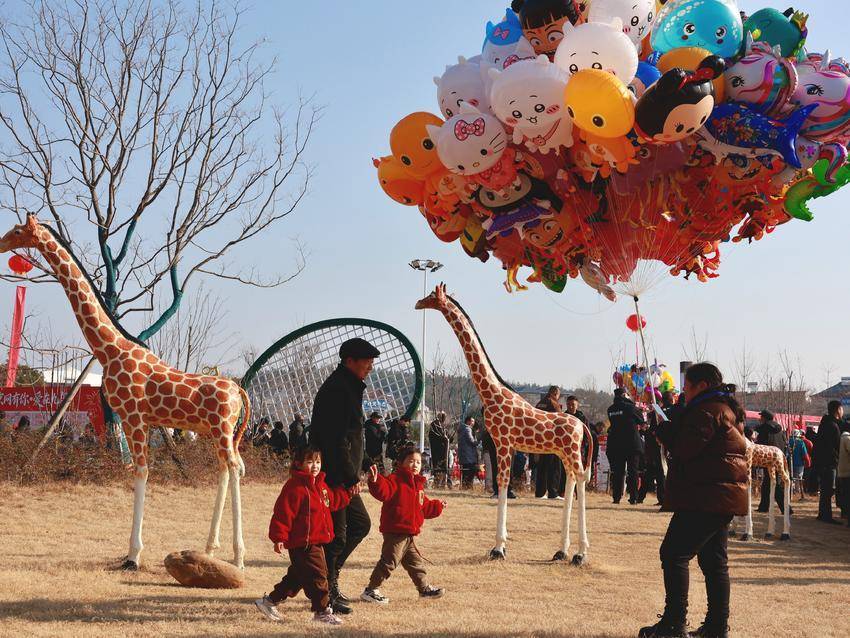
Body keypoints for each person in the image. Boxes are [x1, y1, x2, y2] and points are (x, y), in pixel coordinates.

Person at [639, 363, 748, 638]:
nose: (684, 392)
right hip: (718, 495)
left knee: (674, 553)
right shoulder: (722, 408)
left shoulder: (707, 411)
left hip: (707, 496)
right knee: (714, 562)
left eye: (687, 387)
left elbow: (686, 449)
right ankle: (716, 627)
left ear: (702, 386)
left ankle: (674, 624)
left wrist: (666, 433)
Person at [309, 337, 380, 615]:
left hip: (344, 472)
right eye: (367, 361)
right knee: (335, 536)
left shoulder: (349, 386)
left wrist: (367, 461)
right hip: (334, 476)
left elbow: (352, 435)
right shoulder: (338, 389)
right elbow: (335, 440)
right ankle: (325, 590)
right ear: (350, 361)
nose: (370, 366)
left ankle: (329, 578)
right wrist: (351, 478)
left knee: (360, 525)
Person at [254, 445, 350, 626]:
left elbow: (332, 502)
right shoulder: (294, 487)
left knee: (297, 576)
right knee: (319, 576)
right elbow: (283, 514)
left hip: (317, 540)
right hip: (303, 543)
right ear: (299, 464)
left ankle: (269, 602)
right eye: (310, 462)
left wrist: (348, 492)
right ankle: (321, 612)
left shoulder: (320, 485)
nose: (315, 466)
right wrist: (279, 538)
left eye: (318, 462)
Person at [360, 445, 445, 604]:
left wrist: (438, 506)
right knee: (389, 562)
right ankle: (371, 590)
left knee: (415, 563)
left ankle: (424, 589)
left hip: (409, 533)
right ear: (401, 463)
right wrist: (376, 480)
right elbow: (383, 490)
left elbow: (424, 507)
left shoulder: (418, 486)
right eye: (411, 461)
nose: (415, 465)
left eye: (418, 462)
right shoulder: (395, 480)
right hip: (396, 531)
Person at [606, 388, 646, 505]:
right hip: (631, 444)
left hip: (617, 444)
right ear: (624, 395)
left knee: (618, 472)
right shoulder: (630, 407)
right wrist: (634, 405)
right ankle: (633, 497)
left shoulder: (610, 409)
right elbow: (641, 420)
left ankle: (616, 497)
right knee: (633, 471)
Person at [813, 400, 843, 524]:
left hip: (823, 462)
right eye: (841, 409)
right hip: (829, 463)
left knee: (826, 489)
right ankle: (826, 516)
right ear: (837, 410)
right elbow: (836, 446)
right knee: (828, 489)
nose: (842, 411)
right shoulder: (832, 426)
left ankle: (823, 514)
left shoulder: (825, 423)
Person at [754, 410, 788, 513]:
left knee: (773, 483)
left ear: (764, 418)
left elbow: (760, 444)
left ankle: (786, 508)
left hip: (768, 458)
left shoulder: (764, 428)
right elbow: (784, 444)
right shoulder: (780, 430)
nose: (760, 419)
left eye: (761, 417)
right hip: (778, 458)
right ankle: (764, 507)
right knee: (768, 483)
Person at [535, 387, 564, 499]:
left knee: (542, 467)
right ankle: (553, 492)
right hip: (552, 439)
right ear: (556, 393)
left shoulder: (539, 403)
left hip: (540, 439)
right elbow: (560, 421)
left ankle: (540, 493)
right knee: (555, 467)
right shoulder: (554, 404)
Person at [567, 395, 593, 493]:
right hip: (565, 449)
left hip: (579, 449)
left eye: (573, 404)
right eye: (568, 404)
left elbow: (587, 435)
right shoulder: (564, 416)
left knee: (578, 471)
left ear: (577, 405)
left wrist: (583, 448)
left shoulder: (582, 418)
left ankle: (579, 493)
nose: (570, 407)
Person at [428, 412, 452, 488]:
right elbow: (437, 437)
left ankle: (443, 483)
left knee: (444, 468)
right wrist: (444, 438)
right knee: (439, 468)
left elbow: (448, 438)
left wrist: (449, 438)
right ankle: (438, 484)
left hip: (444, 451)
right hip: (438, 451)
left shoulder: (443, 426)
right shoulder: (435, 425)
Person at [457, 415, 479, 489]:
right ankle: (468, 487)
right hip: (469, 456)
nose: (473, 423)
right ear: (468, 421)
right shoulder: (467, 429)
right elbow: (472, 441)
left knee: (465, 473)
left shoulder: (461, 429)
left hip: (463, 455)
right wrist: (478, 441)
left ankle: (464, 487)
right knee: (470, 472)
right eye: (472, 421)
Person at [838, 424, 850, 524]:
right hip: (847, 471)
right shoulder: (847, 438)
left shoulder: (840, 437)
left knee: (845, 494)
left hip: (841, 470)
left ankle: (844, 513)